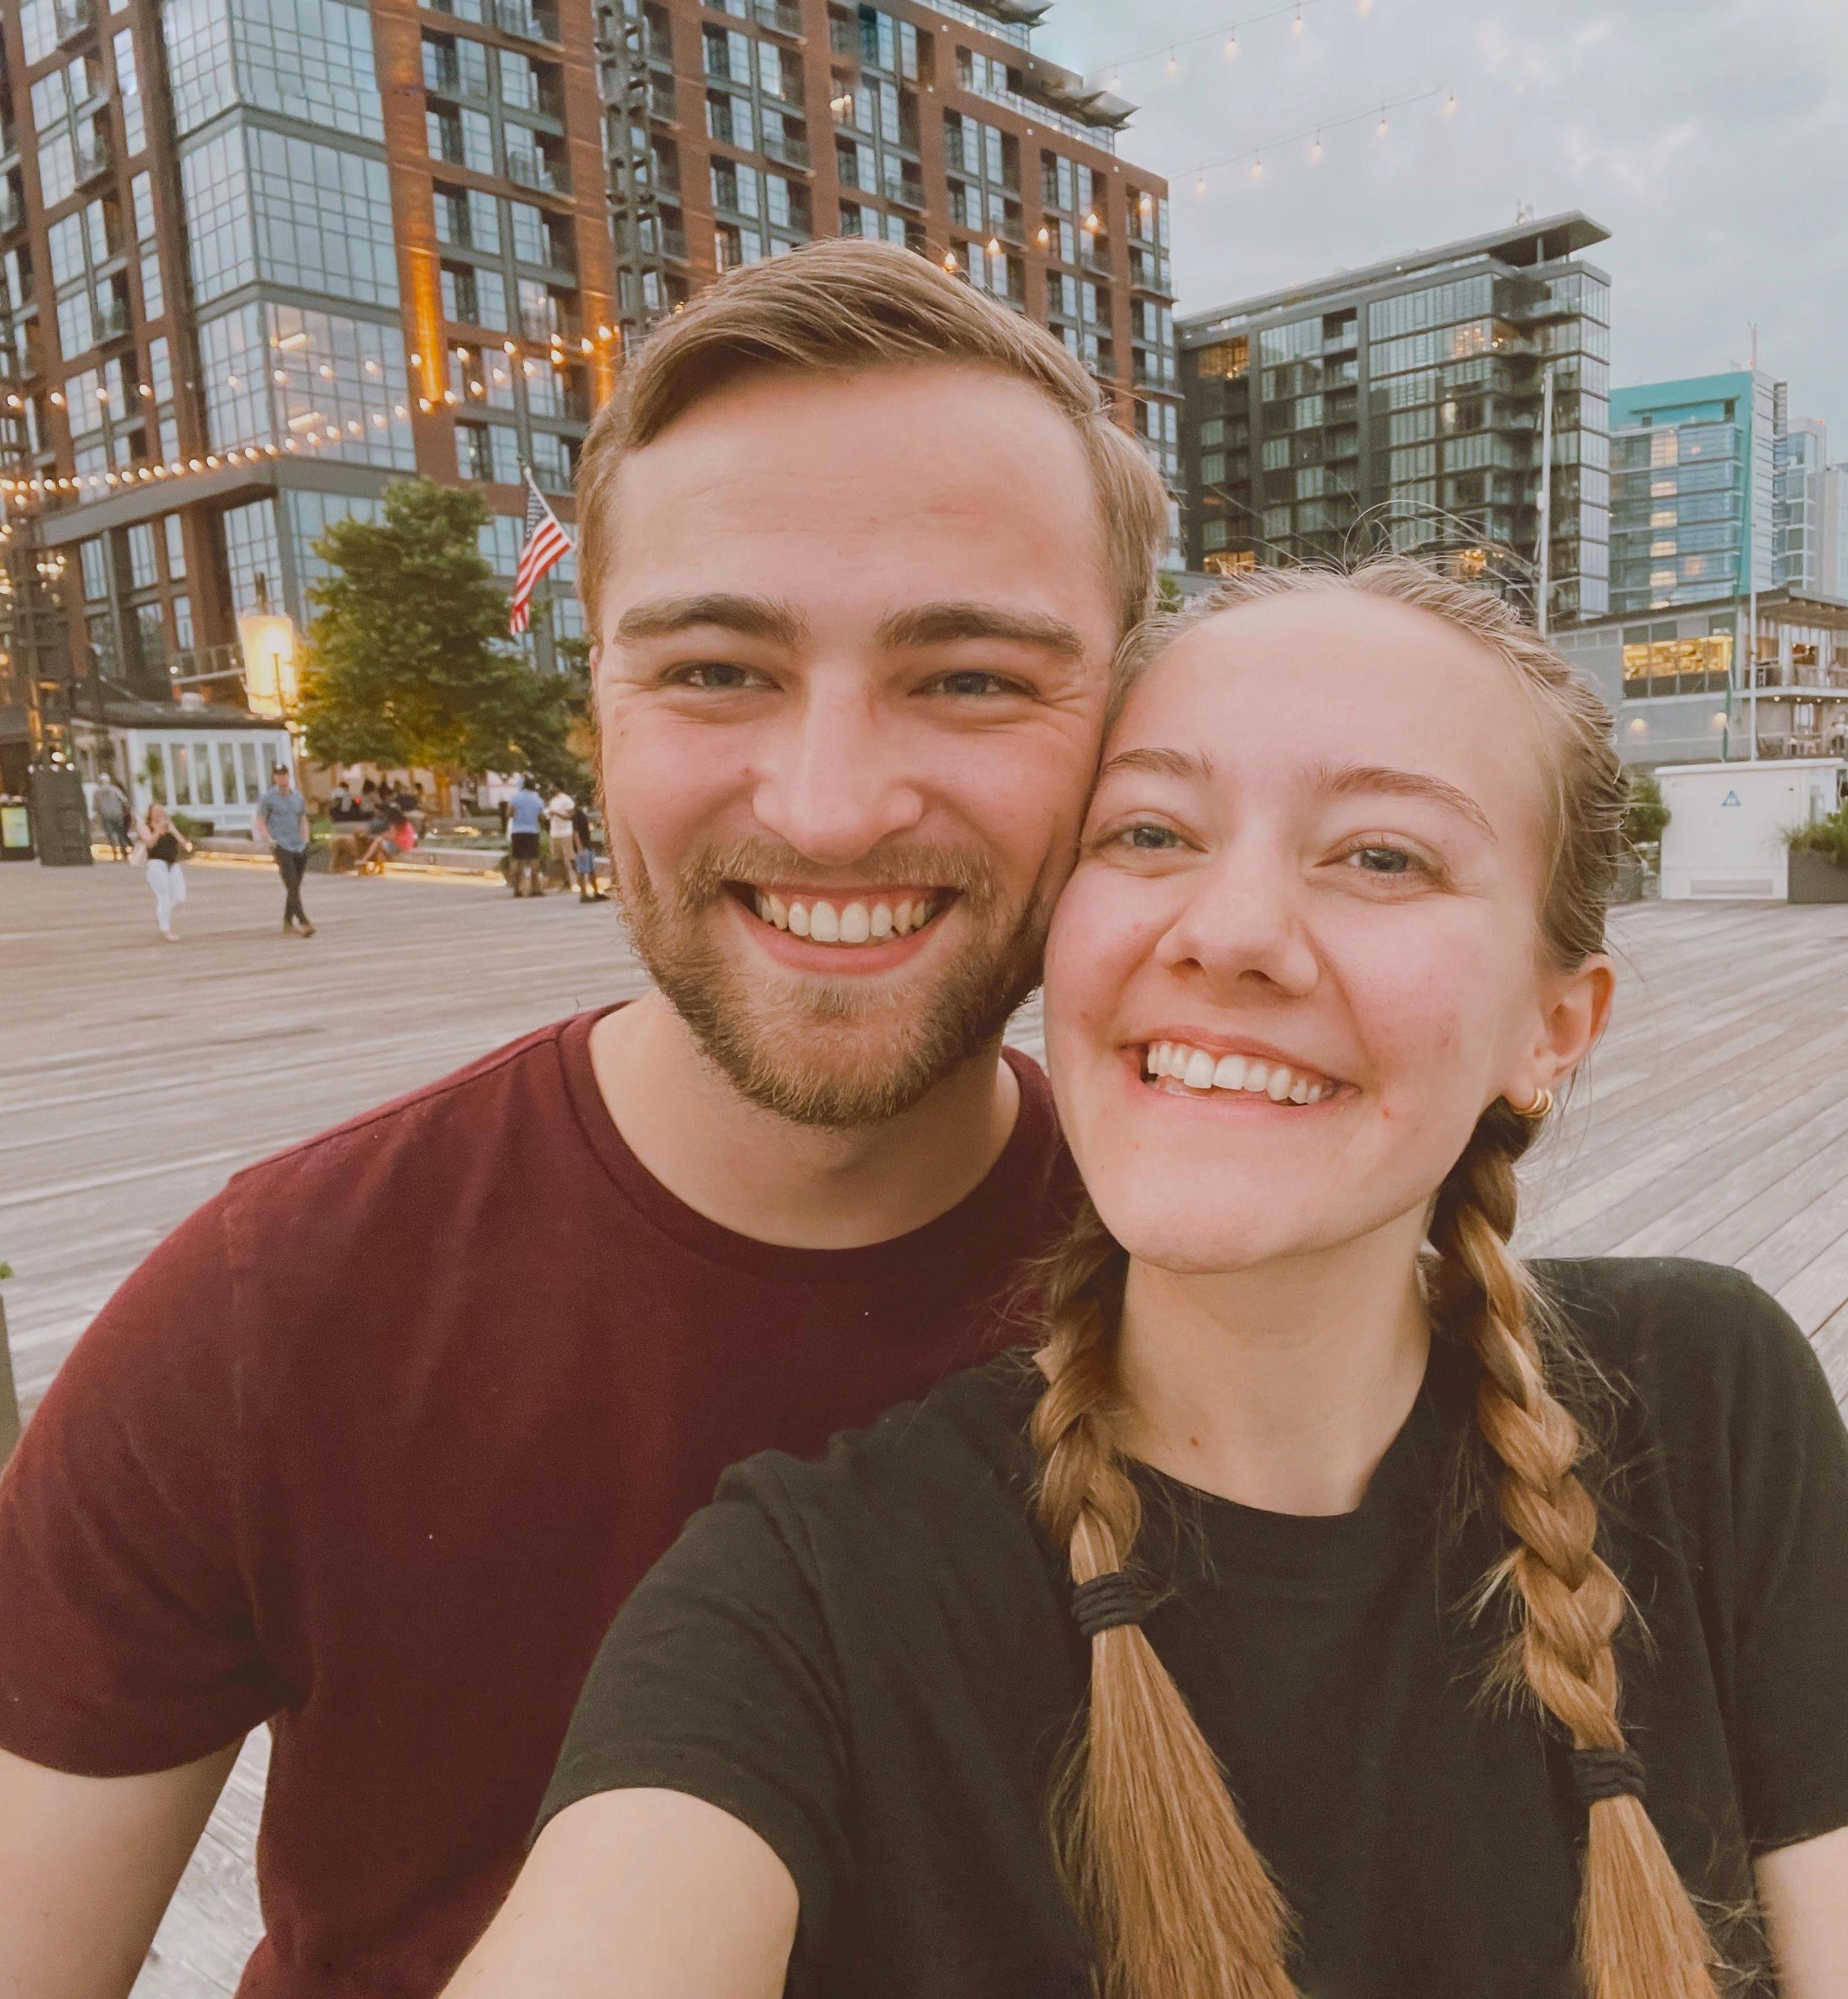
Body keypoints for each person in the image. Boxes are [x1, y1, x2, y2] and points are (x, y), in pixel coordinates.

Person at [452, 563, 1848, 1999]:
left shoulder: (1701, 1404)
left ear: (1553, 1023)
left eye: (1380, 855)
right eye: (1148, 834)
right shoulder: (809, 1592)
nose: (1234, 929)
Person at [0, 239, 1164, 1998]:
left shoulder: (1237, 1281)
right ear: (598, 715)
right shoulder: (271, 1314)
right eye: (715, 671)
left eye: (973, 678)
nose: (834, 804)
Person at [254, 766, 316, 939]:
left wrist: (306, 839)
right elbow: (261, 821)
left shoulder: (297, 797)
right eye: (278, 776)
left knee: (295, 885)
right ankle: (303, 921)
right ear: (274, 778)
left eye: (285, 775)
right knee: (291, 882)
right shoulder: (268, 798)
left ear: (289, 777)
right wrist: (269, 840)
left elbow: (302, 818)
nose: (282, 779)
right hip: (281, 845)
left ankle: (288, 920)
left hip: (298, 844)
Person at [136, 801, 192, 942]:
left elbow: (183, 843)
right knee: (164, 897)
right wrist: (157, 831)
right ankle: (166, 928)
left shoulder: (169, 825)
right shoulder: (145, 827)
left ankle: (162, 916)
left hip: (173, 863)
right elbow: (150, 843)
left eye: (161, 811)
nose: (159, 814)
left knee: (180, 897)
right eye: (156, 812)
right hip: (156, 864)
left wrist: (172, 830)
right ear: (150, 814)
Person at [506, 777, 546, 898]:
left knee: (517, 860)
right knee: (534, 860)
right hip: (532, 832)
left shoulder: (515, 798)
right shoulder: (537, 799)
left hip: (517, 831)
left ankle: (517, 889)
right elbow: (541, 817)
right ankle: (535, 889)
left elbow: (509, 813)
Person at [572, 797, 607, 904]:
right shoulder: (578, 814)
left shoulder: (582, 813)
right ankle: (583, 894)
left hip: (587, 845)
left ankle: (596, 892)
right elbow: (576, 832)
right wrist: (580, 848)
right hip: (583, 847)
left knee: (591, 870)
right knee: (582, 871)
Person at [545, 786, 577, 892]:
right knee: (558, 860)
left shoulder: (566, 799)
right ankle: (566, 881)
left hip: (566, 832)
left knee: (571, 858)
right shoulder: (552, 801)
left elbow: (571, 816)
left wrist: (557, 814)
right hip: (555, 833)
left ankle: (579, 878)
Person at [94, 774, 132, 858]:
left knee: (114, 834)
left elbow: (96, 807)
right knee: (117, 834)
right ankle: (120, 852)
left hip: (111, 816)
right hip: (113, 816)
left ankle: (119, 852)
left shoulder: (99, 793)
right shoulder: (113, 790)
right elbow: (124, 801)